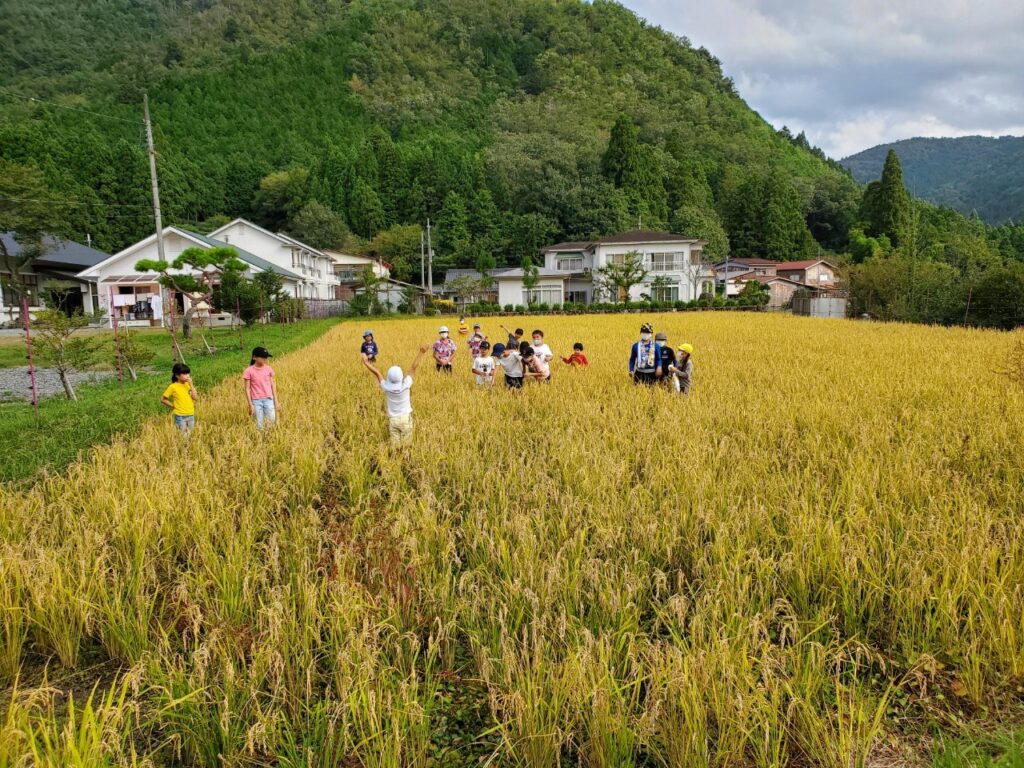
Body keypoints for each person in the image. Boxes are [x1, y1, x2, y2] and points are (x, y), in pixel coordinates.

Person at [362, 345, 428, 446]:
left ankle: (397, 454)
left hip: (393, 420)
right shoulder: (406, 385)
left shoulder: (386, 387)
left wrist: (366, 363)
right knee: (407, 445)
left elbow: (377, 373)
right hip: (405, 419)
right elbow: (413, 367)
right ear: (401, 376)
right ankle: (406, 455)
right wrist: (421, 352)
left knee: (395, 446)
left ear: (388, 378)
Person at [244, 346, 280, 430]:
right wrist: (250, 404)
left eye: (266, 357)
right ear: (254, 357)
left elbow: (273, 385)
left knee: (271, 420)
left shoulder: (269, 369)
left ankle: (269, 436)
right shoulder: (248, 371)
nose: (265, 359)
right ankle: (260, 437)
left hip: (268, 399)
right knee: (259, 424)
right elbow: (247, 389)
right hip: (256, 401)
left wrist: (276, 402)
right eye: (263, 357)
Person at [161, 362, 197, 435]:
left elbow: (195, 397)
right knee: (184, 436)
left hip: (191, 414)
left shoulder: (188, 384)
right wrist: (173, 406)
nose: (187, 376)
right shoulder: (173, 387)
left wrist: (191, 384)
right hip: (180, 416)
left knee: (191, 435)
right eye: (184, 374)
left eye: (188, 373)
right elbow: (163, 399)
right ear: (177, 375)